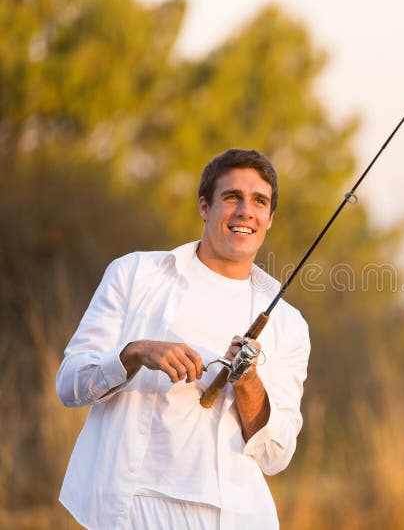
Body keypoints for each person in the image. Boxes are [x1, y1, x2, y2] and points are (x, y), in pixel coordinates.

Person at [56, 149, 311, 529]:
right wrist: (136, 352)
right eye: (232, 197)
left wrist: (248, 381)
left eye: (259, 201)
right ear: (204, 207)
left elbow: (276, 454)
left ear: (270, 219)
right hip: (126, 509)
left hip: (233, 518)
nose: (245, 211)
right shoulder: (134, 274)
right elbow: (69, 384)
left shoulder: (290, 325)